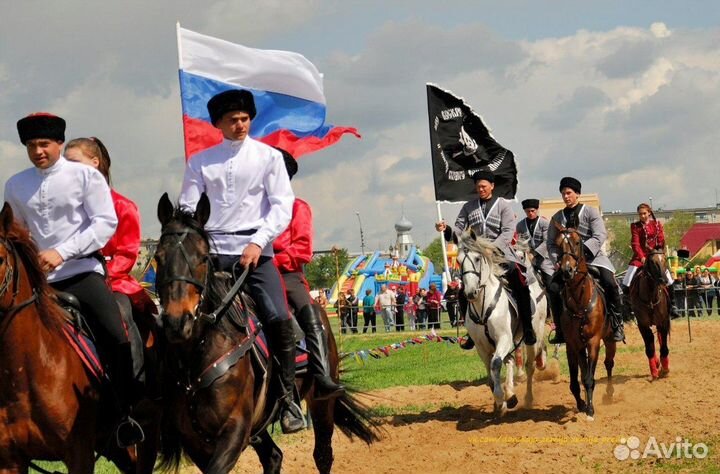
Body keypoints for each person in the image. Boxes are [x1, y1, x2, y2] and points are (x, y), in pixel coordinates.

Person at [4, 113, 143, 447]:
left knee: (115, 332)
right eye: (31, 145)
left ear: (59, 143)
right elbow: (15, 232)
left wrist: (62, 252)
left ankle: (126, 414)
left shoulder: (85, 176)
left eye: (44, 144)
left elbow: (104, 223)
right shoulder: (15, 184)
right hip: (37, 281)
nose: (38, 151)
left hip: (80, 273)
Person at [178, 89, 304, 433]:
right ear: (218, 123)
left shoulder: (268, 157)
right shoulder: (200, 162)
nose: (240, 124)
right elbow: (188, 208)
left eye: (245, 118)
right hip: (212, 257)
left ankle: (289, 398)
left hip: (255, 255)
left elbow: (282, 206)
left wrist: (258, 242)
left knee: (278, 316)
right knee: (179, 318)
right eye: (232, 120)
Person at [64, 137, 158, 385]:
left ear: (95, 163)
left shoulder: (124, 206)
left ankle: (136, 382)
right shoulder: (66, 208)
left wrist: (102, 277)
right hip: (69, 277)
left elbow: (127, 254)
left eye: (74, 163)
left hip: (114, 282)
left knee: (121, 314)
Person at [271, 148, 344, 400]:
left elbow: (302, 250)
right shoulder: (253, 209)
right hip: (255, 272)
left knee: (310, 312)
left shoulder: (298, 208)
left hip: (287, 275)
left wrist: (271, 259)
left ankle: (322, 373)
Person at [435, 170, 537, 348]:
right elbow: (459, 230)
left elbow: (507, 232)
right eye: (478, 186)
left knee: (518, 278)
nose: (480, 189)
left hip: (501, 254)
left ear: (492, 186)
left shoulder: (503, 206)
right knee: (464, 290)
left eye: (483, 186)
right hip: (476, 257)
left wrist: (491, 248)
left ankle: (527, 328)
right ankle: (471, 331)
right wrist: (447, 229)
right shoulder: (468, 207)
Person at [546, 177, 625, 344]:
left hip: (594, 259)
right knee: (553, 288)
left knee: (610, 283)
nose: (566, 196)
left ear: (577, 194)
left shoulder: (590, 212)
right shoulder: (556, 218)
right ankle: (560, 329)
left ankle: (617, 324)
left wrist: (583, 253)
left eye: (569, 193)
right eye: (563, 194)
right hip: (567, 263)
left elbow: (600, 235)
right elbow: (551, 244)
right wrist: (557, 261)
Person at [620, 203, 680, 318]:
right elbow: (635, 243)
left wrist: (659, 253)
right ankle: (627, 307)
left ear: (649, 213)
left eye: (644, 213)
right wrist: (642, 256)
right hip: (640, 258)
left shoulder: (657, 224)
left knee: (669, 280)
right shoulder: (635, 226)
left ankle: (673, 306)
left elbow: (661, 241)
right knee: (626, 280)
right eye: (640, 214)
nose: (642, 216)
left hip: (656, 256)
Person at [516, 199, 554, 289]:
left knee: (550, 284)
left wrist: (534, 253)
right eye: (528, 211)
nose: (530, 213)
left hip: (544, 259)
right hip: (527, 259)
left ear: (537, 210)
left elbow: (547, 241)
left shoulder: (544, 223)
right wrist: (525, 253)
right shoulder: (520, 225)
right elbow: (520, 243)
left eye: (532, 211)